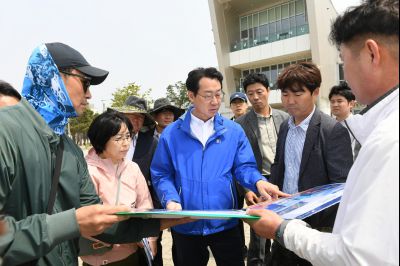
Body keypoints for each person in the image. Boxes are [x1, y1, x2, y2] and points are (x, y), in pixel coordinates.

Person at [0, 43, 184, 265]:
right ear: (52, 77)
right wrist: (71, 223)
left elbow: (99, 220)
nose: (89, 94)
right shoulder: (5, 132)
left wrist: (167, 220)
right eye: (85, 82)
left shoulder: (69, 149)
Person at [246, 1, 399, 265]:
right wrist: (274, 196)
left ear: (372, 54)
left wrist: (291, 216)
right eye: (285, 94)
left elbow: (340, 189)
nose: (346, 76)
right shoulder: (285, 126)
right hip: (288, 227)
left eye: (344, 61)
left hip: (315, 234)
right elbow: (282, 166)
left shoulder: (374, 137)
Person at [151, 67, 288, 266]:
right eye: (208, 96)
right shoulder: (172, 134)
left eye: (218, 94)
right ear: (191, 95)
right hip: (185, 222)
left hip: (225, 222)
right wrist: (171, 200)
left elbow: (244, 166)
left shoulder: (233, 131)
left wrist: (258, 181)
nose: (215, 101)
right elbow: (161, 174)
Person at [81, 110, 157, 266]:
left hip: (130, 255)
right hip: (98, 257)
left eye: (128, 136)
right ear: (101, 139)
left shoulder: (132, 168)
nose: (126, 143)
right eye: (118, 138)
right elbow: (87, 218)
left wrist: (150, 238)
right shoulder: (87, 171)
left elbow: (145, 204)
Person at [236, 73, 289, 266]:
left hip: (282, 179)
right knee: (259, 234)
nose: (256, 97)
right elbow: (238, 161)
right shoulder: (240, 124)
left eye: (259, 92)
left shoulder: (285, 118)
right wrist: (248, 189)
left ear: (268, 91)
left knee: (285, 225)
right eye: (251, 93)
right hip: (256, 180)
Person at [110, 96, 163, 265]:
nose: (136, 120)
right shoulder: (110, 139)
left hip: (145, 207)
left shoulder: (152, 143)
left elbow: (157, 177)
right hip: (117, 206)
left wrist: (154, 212)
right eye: (132, 115)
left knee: (151, 252)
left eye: (140, 117)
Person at [329, 82, 360, 159]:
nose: (335, 104)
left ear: (351, 104)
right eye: (332, 101)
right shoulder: (327, 125)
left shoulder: (359, 124)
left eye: (339, 101)